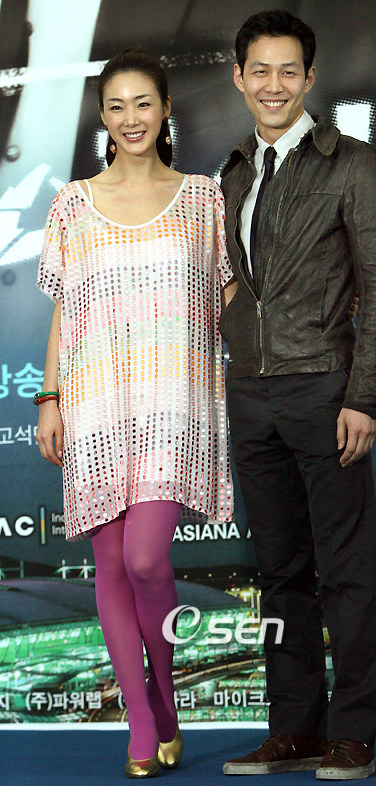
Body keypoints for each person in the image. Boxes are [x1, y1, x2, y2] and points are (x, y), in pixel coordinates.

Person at [35, 49, 234, 778]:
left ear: (166, 107)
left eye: (143, 103)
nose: (130, 118)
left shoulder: (202, 200)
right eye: (116, 107)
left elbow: (230, 296)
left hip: (172, 403)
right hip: (95, 406)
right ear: (103, 118)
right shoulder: (72, 204)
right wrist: (50, 397)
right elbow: (65, 310)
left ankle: (165, 699)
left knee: (147, 558)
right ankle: (143, 721)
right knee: (111, 564)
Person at [219, 10, 376, 781]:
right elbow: (235, 284)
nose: (274, 84)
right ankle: (293, 728)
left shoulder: (350, 163)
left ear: (310, 79)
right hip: (251, 395)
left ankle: (352, 732)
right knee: (280, 572)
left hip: (326, 388)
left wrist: (362, 397)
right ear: (239, 77)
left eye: (288, 71)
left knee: (348, 569)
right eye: (259, 70)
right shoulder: (233, 172)